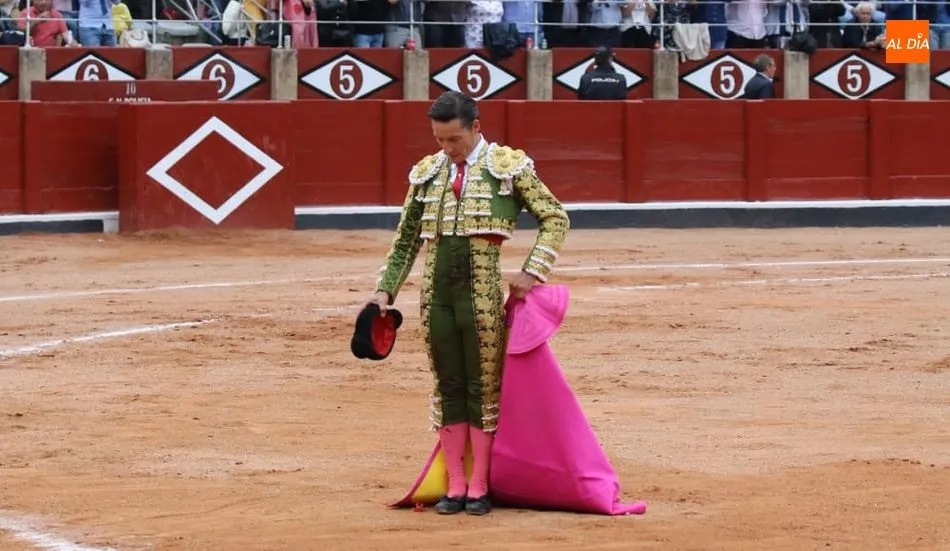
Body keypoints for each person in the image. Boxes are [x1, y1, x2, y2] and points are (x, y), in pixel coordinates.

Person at [367, 91, 570, 516]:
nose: (446, 149)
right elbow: (405, 241)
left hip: (480, 299)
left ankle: (480, 485)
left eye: (453, 140)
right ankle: (455, 484)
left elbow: (555, 217)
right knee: (448, 386)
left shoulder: (508, 168)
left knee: (482, 388)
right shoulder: (427, 173)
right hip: (435, 298)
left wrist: (531, 272)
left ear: (476, 128)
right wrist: (383, 292)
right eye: (439, 140)